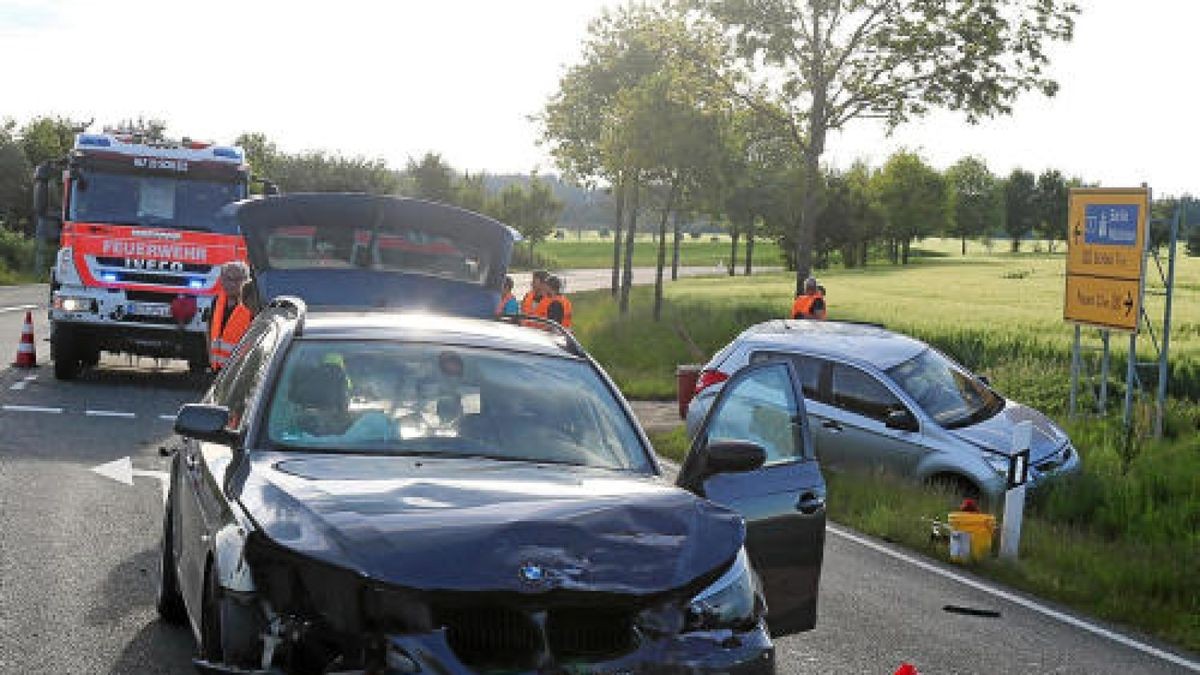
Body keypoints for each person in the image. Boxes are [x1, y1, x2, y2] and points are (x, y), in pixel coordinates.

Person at [209, 261, 255, 371]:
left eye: (238, 279)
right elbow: (209, 330)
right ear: (222, 280)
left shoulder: (252, 304)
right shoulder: (217, 301)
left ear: (247, 281)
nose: (233, 284)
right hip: (218, 369)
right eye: (228, 279)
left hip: (240, 369)